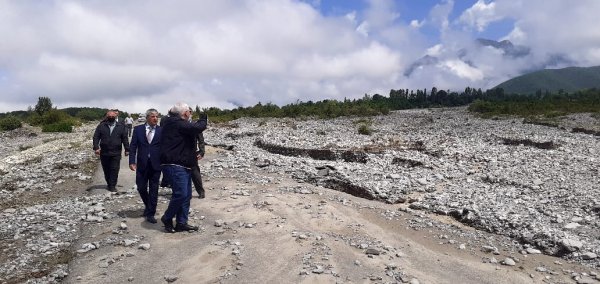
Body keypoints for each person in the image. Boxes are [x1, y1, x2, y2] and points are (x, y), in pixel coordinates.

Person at [159, 102, 207, 233]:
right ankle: (167, 217)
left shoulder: (174, 122)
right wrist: (203, 117)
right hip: (175, 164)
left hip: (183, 164)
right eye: (189, 112)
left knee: (186, 196)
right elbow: (198, 127)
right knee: (181, 194)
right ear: (185, 112)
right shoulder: (175, 122)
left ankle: (181, 222)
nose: (190, 114)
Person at [128, 109, 161, 223]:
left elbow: (165, 147)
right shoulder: (138, 130)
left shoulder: (161, 130)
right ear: (147, 117)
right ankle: (148, 205)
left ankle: (151, 213)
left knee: (154, 189)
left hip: (156, 164)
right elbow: (133, 147)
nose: (155, 118)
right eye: (152, 116)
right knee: (141, 187)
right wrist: (132, 161)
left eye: (157, 116)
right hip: (142, 164)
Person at [93, 110, 130, 192]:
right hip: (104, 152)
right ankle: (109, 182)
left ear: (115, 117)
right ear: (107, 117)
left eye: (113, 116)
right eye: (109, 116)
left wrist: (127, 149)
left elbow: (124, 138)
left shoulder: (121, 126)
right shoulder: (101, 126)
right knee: (106, 169)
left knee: (114, 169)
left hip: (116, 152)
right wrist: (96, 147)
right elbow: (96, 137)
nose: (111, 117)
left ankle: (112, 185)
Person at [189, 107, 206, 199]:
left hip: (192, 154)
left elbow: (201, 140)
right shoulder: (179, 124)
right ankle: (185, 193)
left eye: (190, 111)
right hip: (179, 154)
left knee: (195, 174)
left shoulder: (195, 125)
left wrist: (202, 151)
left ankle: (201, 191)